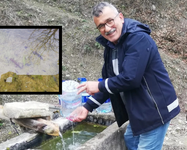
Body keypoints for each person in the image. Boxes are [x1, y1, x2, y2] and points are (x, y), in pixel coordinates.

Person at [69, 2, 180, 150]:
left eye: (109, 21)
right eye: (101, 26)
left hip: (155, 110)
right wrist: (87, 107)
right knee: (130, 139)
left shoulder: (138, 39)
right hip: (139, 110)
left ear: (120, 17)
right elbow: (112, 82)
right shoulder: (112, 46)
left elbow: (130, 79)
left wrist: (98, 85)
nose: (107, 28)